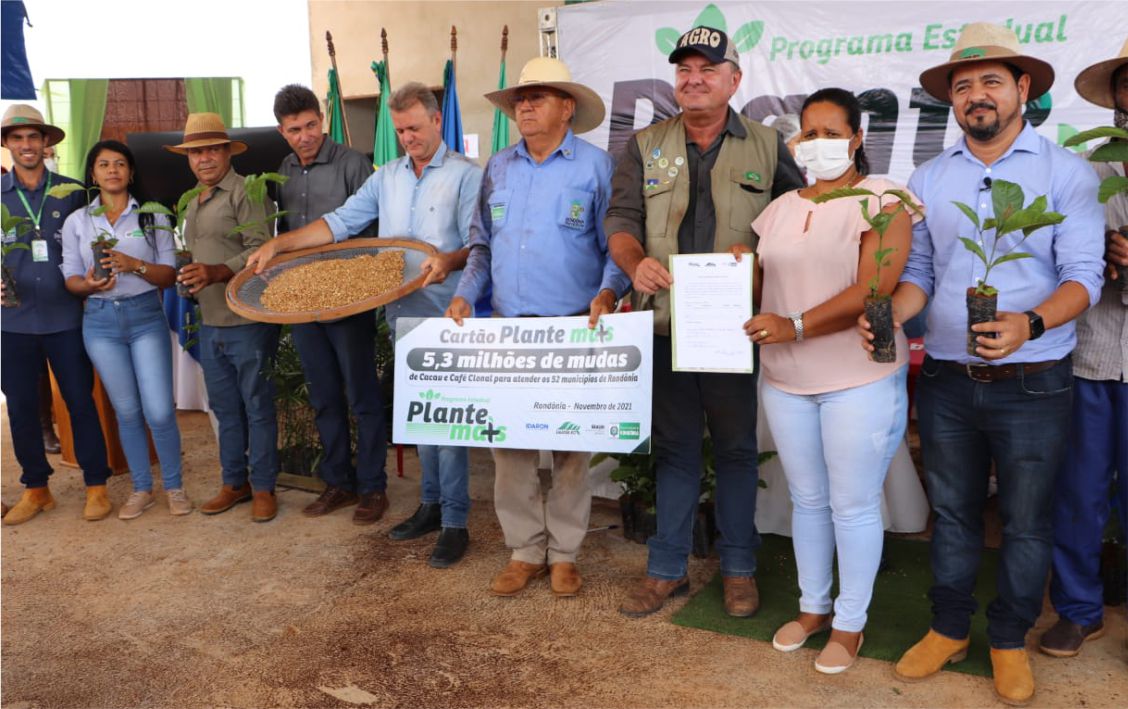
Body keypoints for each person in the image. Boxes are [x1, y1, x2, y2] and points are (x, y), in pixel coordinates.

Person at [859, 24, 1105, 705]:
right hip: (945, 377)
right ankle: (948, 627)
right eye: (963, 85)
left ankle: (1005, 636)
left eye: (991, 81)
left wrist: (1029, 322)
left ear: (1022, 89)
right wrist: (889, 312)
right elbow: (918, 273)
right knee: (956, 512)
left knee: (1026, 519)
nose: (976, 95)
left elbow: (1085, 276)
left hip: (1035, 379)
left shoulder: (1064, 172)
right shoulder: (931, 178)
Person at [605, 26, 805, 618]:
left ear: (734, 81)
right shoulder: (645, 145)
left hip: (732, 331)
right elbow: (620, 218)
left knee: (739, 451)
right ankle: (667, 569)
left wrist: (762, 264)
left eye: (708, 69)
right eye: (685, 69)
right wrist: (634, 261)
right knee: (675, 452)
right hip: (666, 326)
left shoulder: (769, 145)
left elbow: (797, 226)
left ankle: (739, 567)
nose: (694, 79)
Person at [249, 82, 483, 558]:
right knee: (421, 416)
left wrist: (448, 261)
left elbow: (479, 244)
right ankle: (430, 504)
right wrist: (281, 244)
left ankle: (455, 521)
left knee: (448, 419)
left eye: (416, 128)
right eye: (400, 131)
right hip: (401, 312)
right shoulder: (388, 176)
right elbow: (339, 222)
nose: (408, 138)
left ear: (437, 121)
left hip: (449, 311)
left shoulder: (465, 175)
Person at [743, 88, 917, 673]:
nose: (816, 145)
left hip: (856, 379)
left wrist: (794, 326)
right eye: (807, 134)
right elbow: (758, 289)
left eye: (829, 133)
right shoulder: (779, 210)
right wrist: (720, 279)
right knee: (808, 501)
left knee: (854, 504)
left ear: (856, 138)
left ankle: (850, 623)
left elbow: (874, 289)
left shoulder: (884, 200)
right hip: (785, 380)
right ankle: (812, 608)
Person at [444, 57, 629, 597]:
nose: (524, 106)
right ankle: (525, 549)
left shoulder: (597, 168)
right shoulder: (499, 168)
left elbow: (615, 247)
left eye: (538, 97)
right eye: (520, 99)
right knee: (512, 446)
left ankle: (565, 552)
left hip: (573, 329)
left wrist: (608, 292)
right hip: (509, 330)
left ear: (567, 108)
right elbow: (481, 246)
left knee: (572, 449)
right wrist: (462, 297)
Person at [264, 84, 390, 527]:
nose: (305, 136)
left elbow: (375, 234)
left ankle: (373, 487)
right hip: (301, 303)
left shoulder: (354, 165)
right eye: (295, 129)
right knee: (322, 397)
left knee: (362, 396)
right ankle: (338, 482)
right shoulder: (281, 170)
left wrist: (357, 285)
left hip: (348, 300)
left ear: (324, 120)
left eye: (311, 125)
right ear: (283, 132)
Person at [1038, 38, 1128, 659]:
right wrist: (1102, 255)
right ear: (1118, 95)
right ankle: (1077, 609)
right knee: (1079, 489)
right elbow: (1057, 258)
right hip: (1093, 353)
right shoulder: (1092, 168)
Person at [60, 140, 189, 519]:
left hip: (146, 317)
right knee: (127, 411)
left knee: (160, 411)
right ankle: (141, 488)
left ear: (131, 172)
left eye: (120, 164)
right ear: (93, 173)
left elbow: (168, 276)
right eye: (104, 164)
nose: (112, 170)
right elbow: (69, 277)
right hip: (100, 321)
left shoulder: (153, 216)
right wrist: (87, 285)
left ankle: (175, 487)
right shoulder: (78, 221)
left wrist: (134, 264)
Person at [1, 104, 114, 525]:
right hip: (11, 325)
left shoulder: (73, 193)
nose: (27, 145)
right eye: (18, 138)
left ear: (46, 143)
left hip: (67, 319)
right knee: (23, 408)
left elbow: (97, 242)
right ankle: (36, 489)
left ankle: (97, 486)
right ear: (7, 144)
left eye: (34, 137)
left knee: (80, 403)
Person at [167, 113, 282, 523]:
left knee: (257, 406)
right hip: (211, 320)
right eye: (196, 152)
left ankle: (265, 486)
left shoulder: (246, 191)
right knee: (225, 409)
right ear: (188, 158)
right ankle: (235, 483)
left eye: (212, 149)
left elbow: (264, 249)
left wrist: (217, 271)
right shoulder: (194, 201)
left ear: (227, 152)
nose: (204, 159)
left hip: (247, 320)